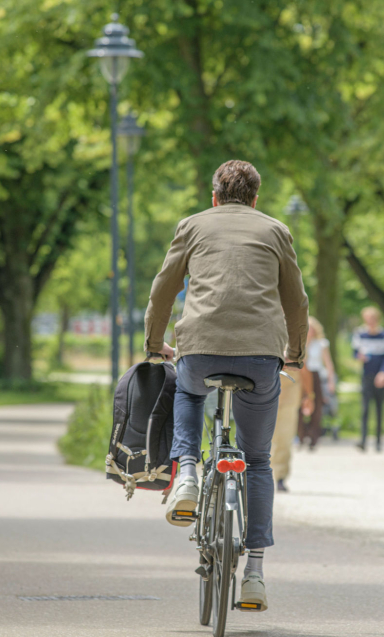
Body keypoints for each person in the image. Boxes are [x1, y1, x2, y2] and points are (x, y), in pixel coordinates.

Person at [143, 160, 309, 613]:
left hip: (199, 348)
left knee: (188, 390)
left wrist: (154, 343)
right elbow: (296, 298)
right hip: (261, 358)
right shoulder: (276, 230)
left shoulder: (192, 225)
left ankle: (189, 475)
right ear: (256, 199)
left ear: (214, 196)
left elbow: (163, 289)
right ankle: (254, 572)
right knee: (256, 460)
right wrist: (296, 353)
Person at [351, 307, 384, 452]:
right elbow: (355, 352)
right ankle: (363, 441)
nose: (370, 322)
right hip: (366, 375)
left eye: (372, 319)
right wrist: (359, 357)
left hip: (380, 376)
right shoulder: (360, 334)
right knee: (365, 409)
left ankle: (378, 442)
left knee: (379, 409)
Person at [271, 361, 312, 492]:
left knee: (284, 437)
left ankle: (279, 477)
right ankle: (269, 475)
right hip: (266, 390)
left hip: (288, 395)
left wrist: (309, 395)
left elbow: (304, 367)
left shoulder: (296, 341)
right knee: (273, 437)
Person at [298, 317, 336, 451]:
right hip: (301, 375)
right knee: (299, 406)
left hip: (316, 375)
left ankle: (314, 438)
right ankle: (301, 436)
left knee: (317, 408)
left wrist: (331, 381)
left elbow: (328, 363)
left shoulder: (321, 344)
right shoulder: (299, 343)